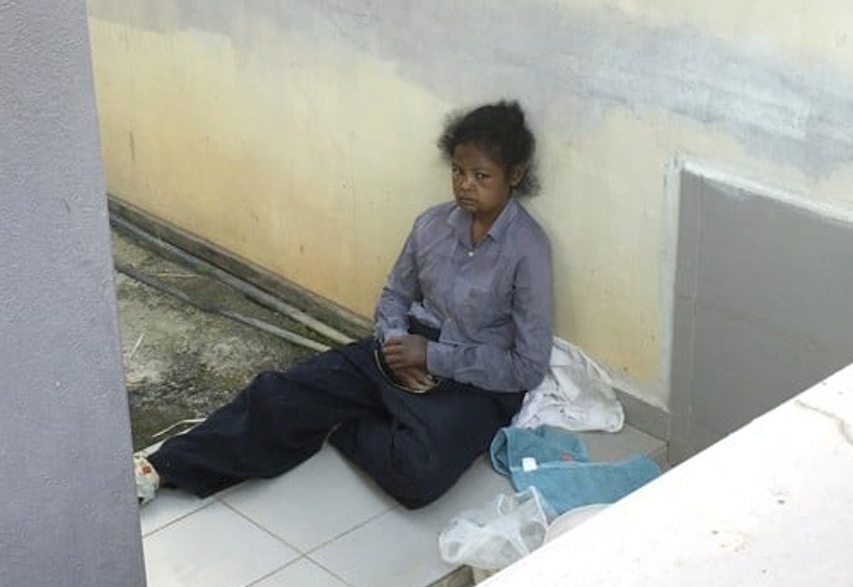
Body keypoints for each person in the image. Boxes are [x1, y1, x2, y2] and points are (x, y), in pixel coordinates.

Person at [134, 100, 553, 511]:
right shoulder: (432, 225)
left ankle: (341, 421)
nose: (465, 185)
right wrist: (394, 342)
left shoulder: (528, 250)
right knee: (284, 394)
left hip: (475, 378)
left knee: (419, 473)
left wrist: (435, 357)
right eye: (458, 172)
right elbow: (395, 296)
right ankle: (162, 468)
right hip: (407, 347)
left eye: (481, 176)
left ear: (514, 175)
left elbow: (528, 367)